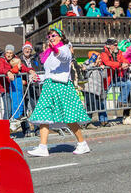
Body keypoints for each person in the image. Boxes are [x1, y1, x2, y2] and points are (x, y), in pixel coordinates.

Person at [26, 28, 90, 156]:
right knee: (44, 114)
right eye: (49, 36)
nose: (51, 38)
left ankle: (82, 143)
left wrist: (56, 50)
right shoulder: (48, 53)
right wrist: (39, 78)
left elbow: (65, 58)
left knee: (69, 117)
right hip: (49, 86)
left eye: (53, 35)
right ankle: (43, 147)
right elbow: (50, 73)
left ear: (60, 37)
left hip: (61, 86)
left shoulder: (65, 48)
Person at [0, 44, 31, 128]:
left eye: (10, 53)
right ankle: (3, 132)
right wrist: (8, 72)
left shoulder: (16, 59)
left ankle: (26, 130)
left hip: (15, 88)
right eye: (7, 52)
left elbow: (23, 67)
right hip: (5, 88)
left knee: (19, 109)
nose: (9, 55)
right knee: (8, 110)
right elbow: (0, 69)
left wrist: (30, 71)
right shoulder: (1, 60)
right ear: (5, 52)